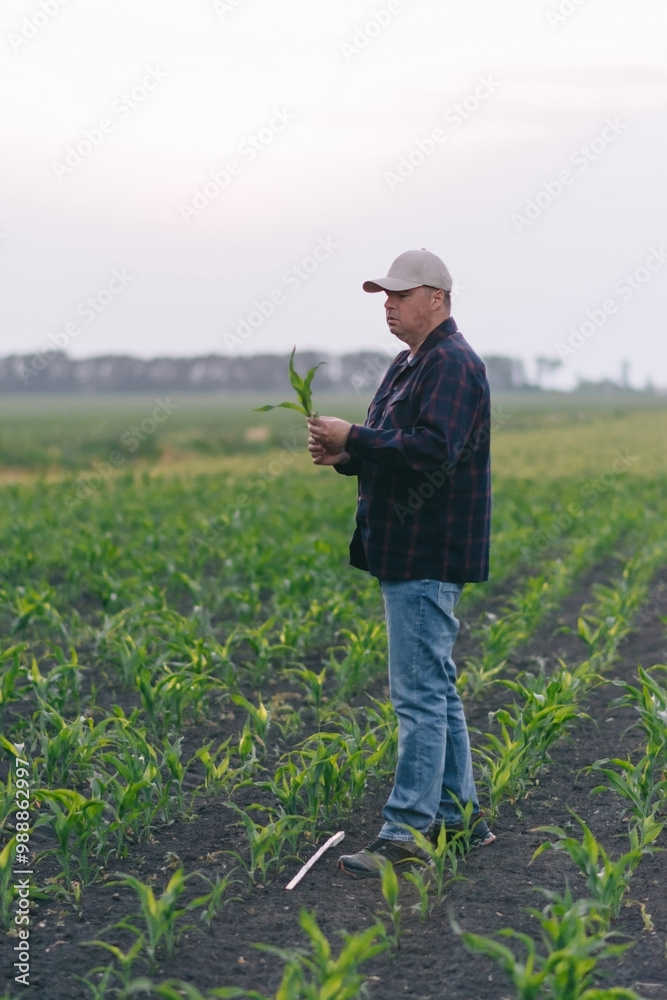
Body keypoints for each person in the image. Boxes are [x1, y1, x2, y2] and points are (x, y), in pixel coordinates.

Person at [307, 248, 495, 878]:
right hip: (408, 547)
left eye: (398, 294)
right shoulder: (411, 363)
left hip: (427, 548)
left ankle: (407, 832)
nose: (387, 304)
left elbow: (435, 450)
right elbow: (396, 446)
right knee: (435, 689)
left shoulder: (451, 364)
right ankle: (460, 818)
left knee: (417, 696)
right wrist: (347, 454)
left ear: (436, 299)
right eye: (383, 295)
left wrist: (353, 438)